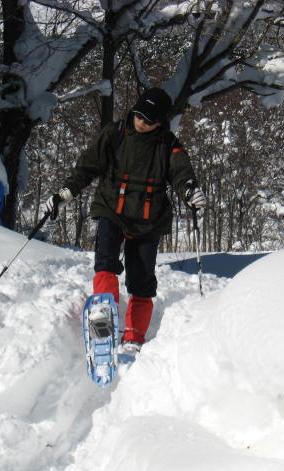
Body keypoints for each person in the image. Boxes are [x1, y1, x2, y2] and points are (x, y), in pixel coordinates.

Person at [44, 87, 206, 357]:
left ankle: (133, 337)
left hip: (148, 219)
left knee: (142, 281)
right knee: (105, 262)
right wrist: (67, 191)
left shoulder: (168, 144)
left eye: (149, 119)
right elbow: (88, 165)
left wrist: (190, 190)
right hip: (112, 209)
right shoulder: (115, 133)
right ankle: (103, 315)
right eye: (139, 115)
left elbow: (181, 172)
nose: (141, 122)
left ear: (161, 121)